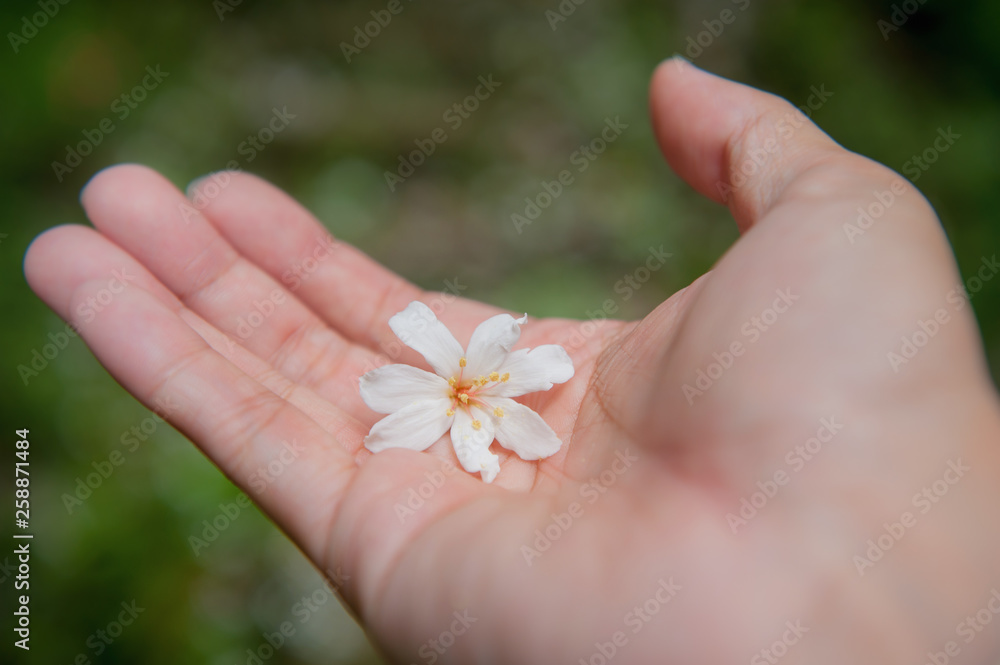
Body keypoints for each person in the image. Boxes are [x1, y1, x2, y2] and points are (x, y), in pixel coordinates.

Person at [25, 58, 1000, 664]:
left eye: (470, 383)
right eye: (465, 385)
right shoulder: (443, 382)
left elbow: (499, 390)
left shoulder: (496, 393)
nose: (468, 385)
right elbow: (432, 387)